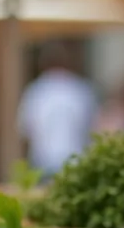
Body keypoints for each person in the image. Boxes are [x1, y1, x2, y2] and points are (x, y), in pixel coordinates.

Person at [18, 43, 98, 174]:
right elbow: (92, 128)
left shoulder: (35, 91)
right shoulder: (81, 89)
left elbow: (26, 131)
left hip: (43, 161)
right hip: (76, 160)